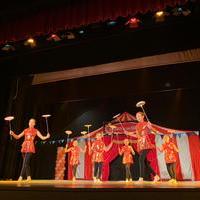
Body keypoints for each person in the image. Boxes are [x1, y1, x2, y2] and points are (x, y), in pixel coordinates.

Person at [134, 112, 160, 182]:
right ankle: (156, 176)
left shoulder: (147, 124)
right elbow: (138, 136)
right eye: (137, 116)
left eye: (139, 116)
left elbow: (155, 132)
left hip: (147, 143)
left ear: (143, 116)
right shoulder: (137, 126)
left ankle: (141, 177)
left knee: (141, 159)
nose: (138, 117)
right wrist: (129, 134)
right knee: (144, 162)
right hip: (141, 144)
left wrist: (151, 128)